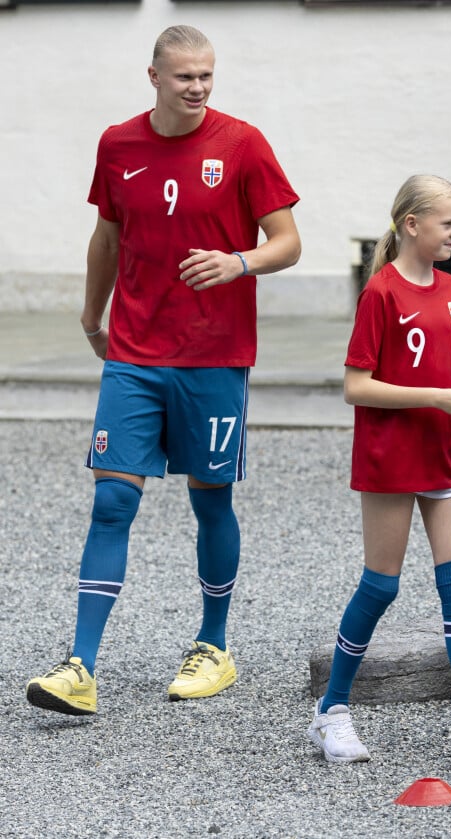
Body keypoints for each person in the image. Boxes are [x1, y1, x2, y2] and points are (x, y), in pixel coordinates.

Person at [26, 25, 300, 716]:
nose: (199, 87)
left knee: (210, 500)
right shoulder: (118, 144)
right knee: (113, 498)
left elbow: (289, 242)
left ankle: (213, 646)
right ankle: (80, 666)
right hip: (136, 352)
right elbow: (108, 236)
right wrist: (93, 317)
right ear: (153, 76)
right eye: (185, 77)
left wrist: (238, 261)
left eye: (207, 75)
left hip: (215, 354)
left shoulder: (243, 144)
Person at [307, 175, 451, 776]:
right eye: (447, 223)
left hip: (446, 453)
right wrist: (439, 396)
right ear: (412, 224)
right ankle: (331, 710)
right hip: (391, 454)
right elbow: (355, 385)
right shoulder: (380, 294)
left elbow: (444, 368)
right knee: (381, 587)